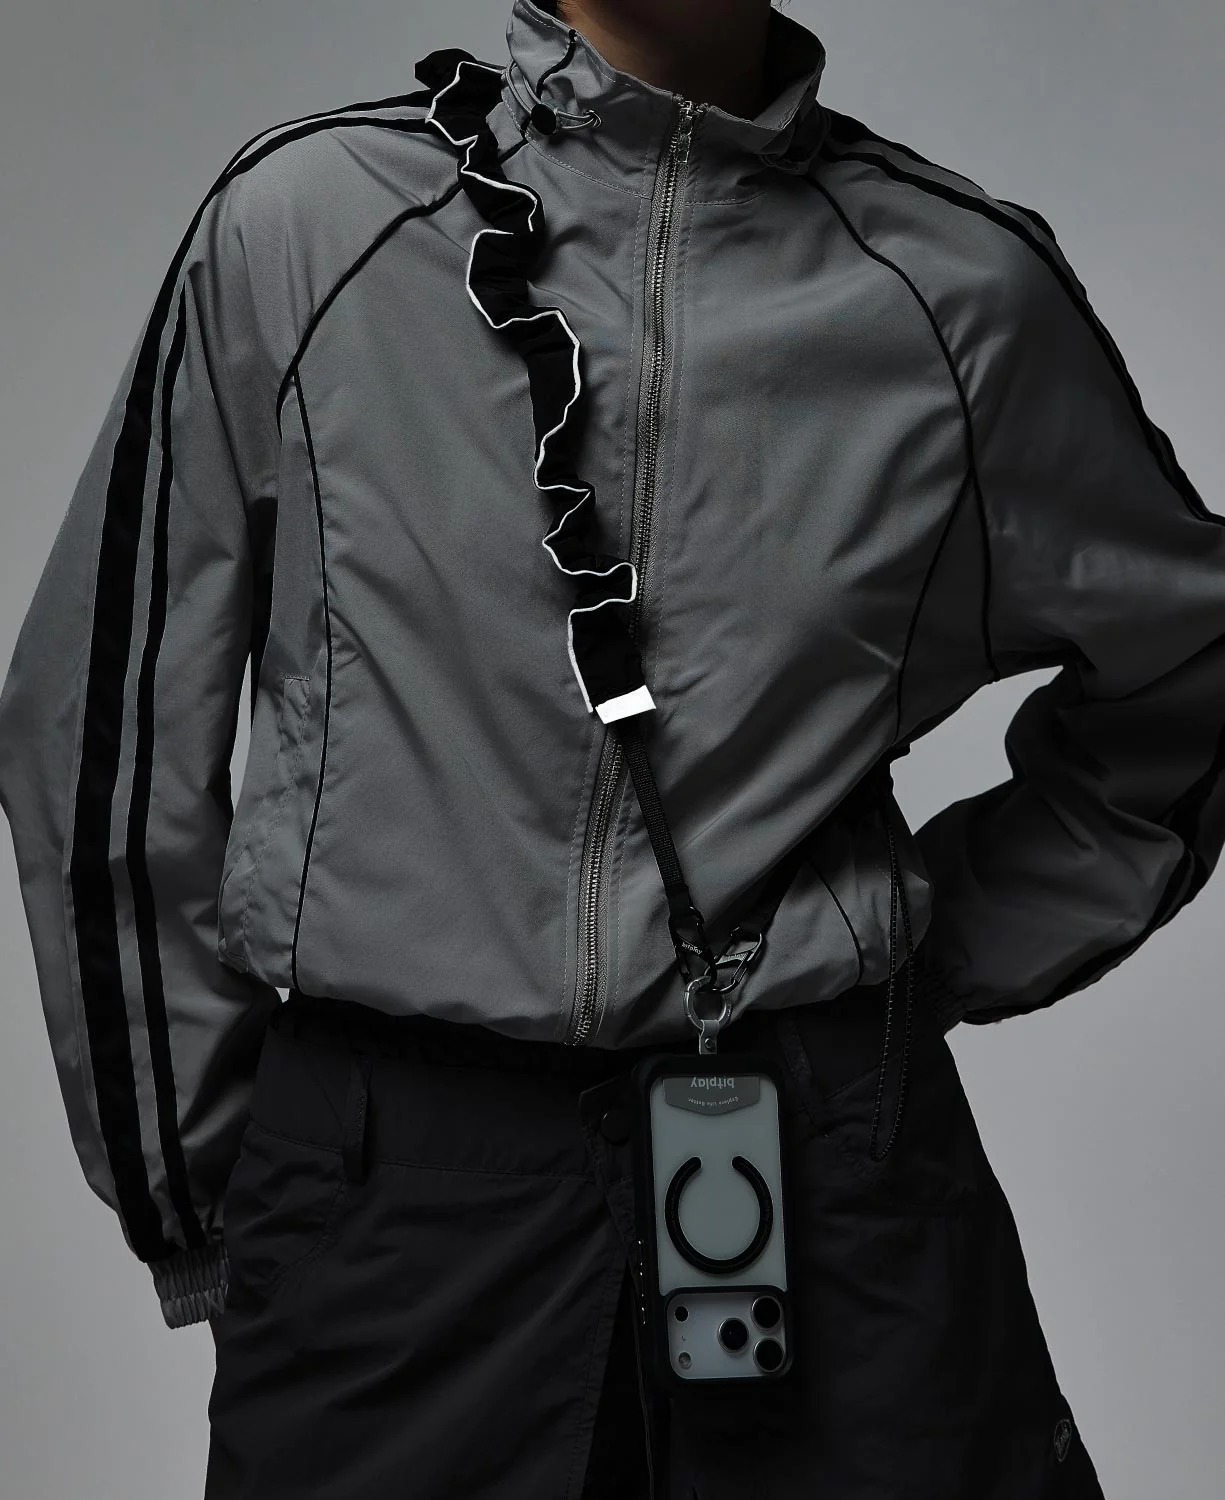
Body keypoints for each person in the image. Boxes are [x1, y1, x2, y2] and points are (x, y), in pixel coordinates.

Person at [1, 0, 1222, 1493]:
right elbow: (99, 736)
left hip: (842, 1196)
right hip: (391, 1210)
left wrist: (928, 957)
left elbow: (1188, 661)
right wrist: (213, 1188)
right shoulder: (305, 230)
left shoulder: (957, 293)